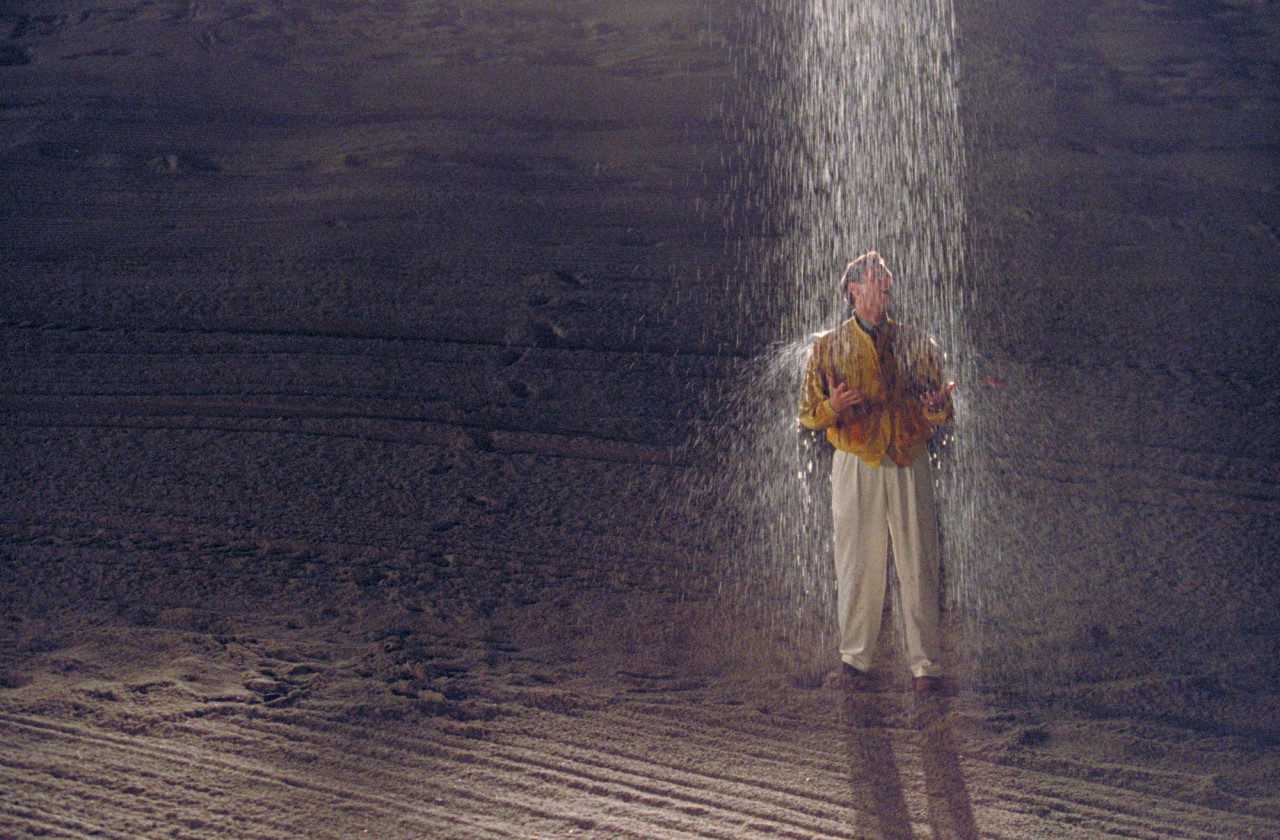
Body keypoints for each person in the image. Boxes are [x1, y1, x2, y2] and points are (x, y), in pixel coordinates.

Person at [797, 251, 955, 692]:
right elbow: (807, 414)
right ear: (853, 290)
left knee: (919, 560)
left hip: (908, 455)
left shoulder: (916, 342)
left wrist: (938, 407)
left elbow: (943, 411)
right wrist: (833, 406)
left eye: (886, 276)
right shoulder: (827, 346)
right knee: (856, 562)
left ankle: (925, 667)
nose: (886, 282)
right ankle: (855, 661)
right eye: (875, 276)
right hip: (856, 459)